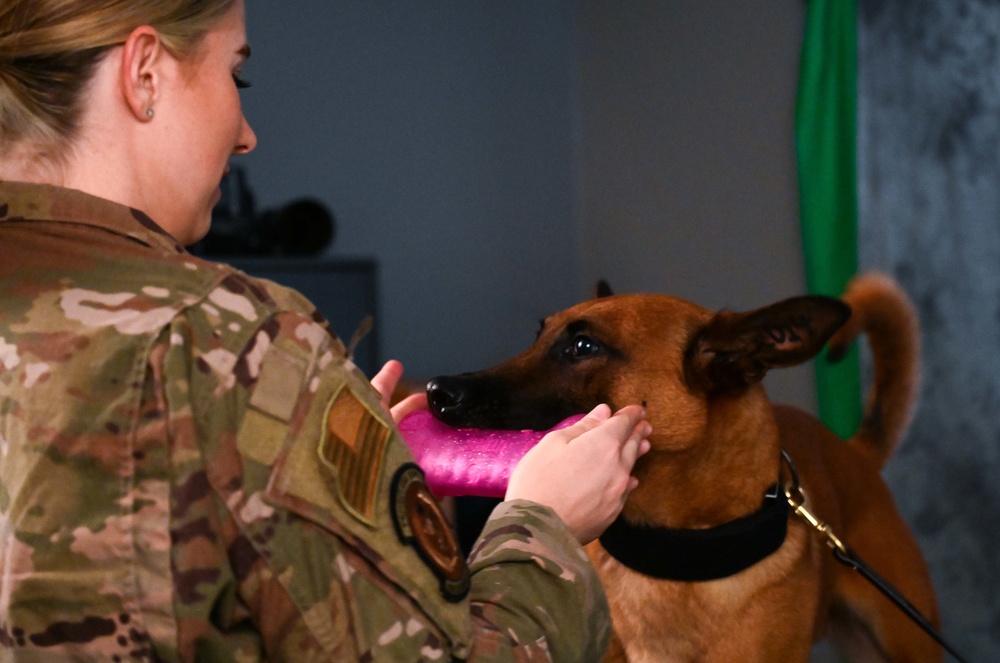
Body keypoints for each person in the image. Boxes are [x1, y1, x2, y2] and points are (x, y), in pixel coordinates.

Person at [0, 1, 652, 661]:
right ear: (144, 72)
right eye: (236, 76)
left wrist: (317, 461)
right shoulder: (228, 342)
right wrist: (543, 527)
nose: (247, 133)